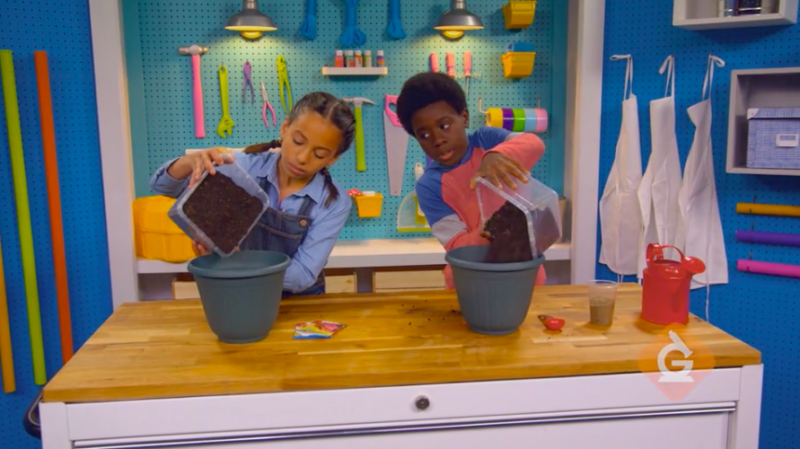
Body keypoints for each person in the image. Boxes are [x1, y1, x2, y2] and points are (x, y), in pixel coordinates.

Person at [149, 91, 355, 296]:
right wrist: (189, 162)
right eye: (298, 141)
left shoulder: (333, 202)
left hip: (300, 306)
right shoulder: (242, 167)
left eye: (319, 154)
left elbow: (303, 275)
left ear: (332, 159)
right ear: (284, 128)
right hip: (242, 295)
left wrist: (240, 262)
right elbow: (164, 187)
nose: (302, 157)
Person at [396, 72, 547, 289]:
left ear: (464, 117)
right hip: (470, 282)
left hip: (523, 271)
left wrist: (497, 155)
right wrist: (491, 231)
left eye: (445, 125)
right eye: (424, 135)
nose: (438, 140)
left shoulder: (487, 140)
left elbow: (534, 144)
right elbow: (456, 245)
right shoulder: (429, 186)